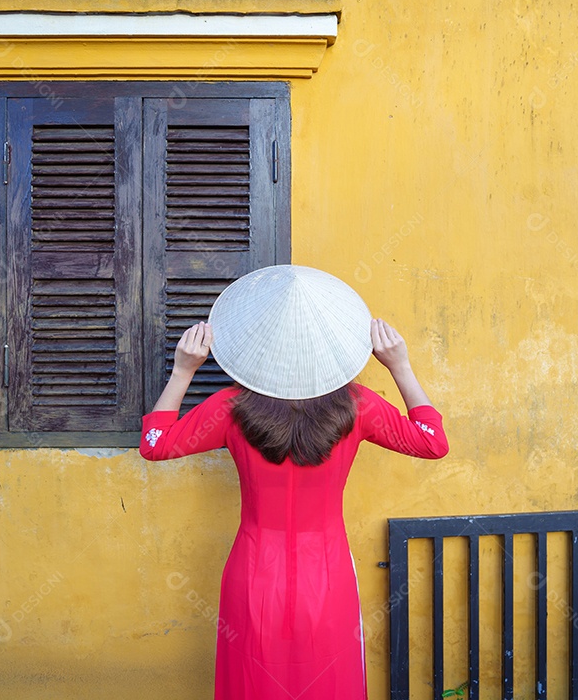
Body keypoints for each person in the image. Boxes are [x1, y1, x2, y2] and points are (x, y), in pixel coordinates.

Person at [139, 265, 448, 700]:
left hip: (252, 575)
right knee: (329, 681)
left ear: (257, 345)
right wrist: (400, 366)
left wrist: (183, 371)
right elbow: (433, 443)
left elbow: (155, 444)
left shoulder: (230, 408)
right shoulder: (359, 406)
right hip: (329, 573)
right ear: (331, 343)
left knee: (253, 680)